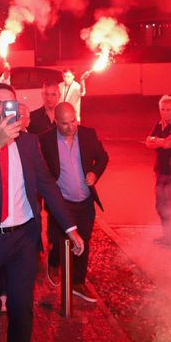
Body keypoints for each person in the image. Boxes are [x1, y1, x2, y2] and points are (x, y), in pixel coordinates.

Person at [0, 82, 84, 342]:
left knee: (21, 307)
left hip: (23, 238)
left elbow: (47, 184)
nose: (3, 109)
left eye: (8, 104)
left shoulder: (28, 142)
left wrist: (70, 227)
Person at [39, 102, 109, 302]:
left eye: (73, 121)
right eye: (65, 124)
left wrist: (95, 173)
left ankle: (77, 282)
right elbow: (41, 170)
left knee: (83, 240)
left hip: (85, 202)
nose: (71, 127)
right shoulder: (45, 140)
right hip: (61, 203)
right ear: (56, 122)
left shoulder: (88, 134)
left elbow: (103, 158)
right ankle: (54, 261)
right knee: (62, 242)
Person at [145, 95, 171, 248]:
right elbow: (148, 142)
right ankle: (166, 235)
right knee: (160, 205)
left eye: (169, 110)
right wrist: (162, 141)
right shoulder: (159, 124)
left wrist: (157, 140)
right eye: (162, 109)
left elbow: (167, 145)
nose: (165, 113)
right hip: (160, 171)